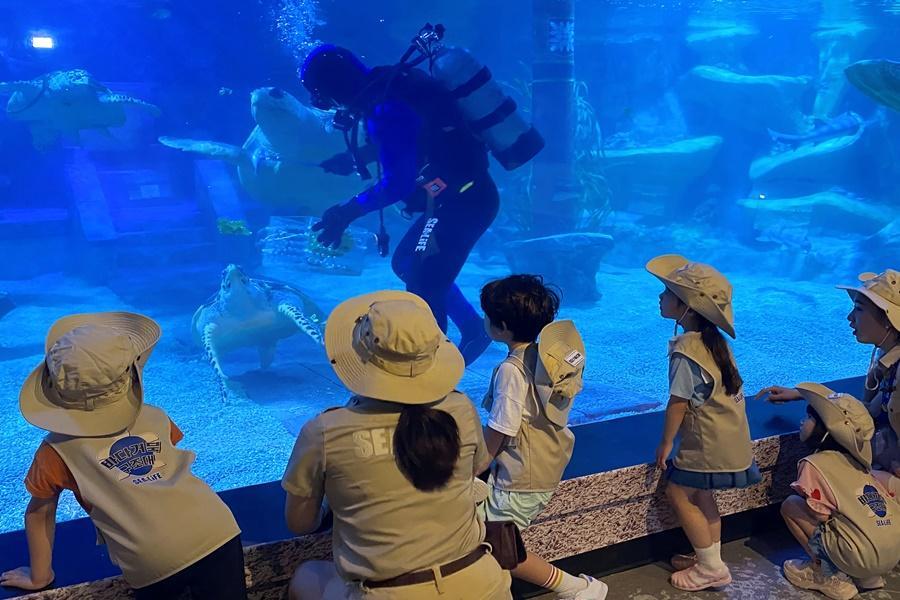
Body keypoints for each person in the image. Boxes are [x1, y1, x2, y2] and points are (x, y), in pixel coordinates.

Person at [282, 290, 511, 599]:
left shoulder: (325, 430)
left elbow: (299, 523)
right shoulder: (461, 409)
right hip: (482, 584)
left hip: (390, 593)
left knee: (305, 575)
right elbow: (475, 467)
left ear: (360, 352)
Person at [0, 312, 245, 599]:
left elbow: (40, 514)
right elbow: (163, 465)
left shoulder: (55, 451)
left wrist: (40, 576)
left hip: (152, 556)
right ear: (131, 372)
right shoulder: (156, 416)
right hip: (217, 528)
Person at [298, 44, 496, 365]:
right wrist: (354, 158)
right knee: (407, 263)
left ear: (335, 88)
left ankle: (429, 374)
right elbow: (410, 141)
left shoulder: (383, 110)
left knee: (423, 283)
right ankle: (473, 329)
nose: (329, 106)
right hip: (457, 199)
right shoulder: (391, 93)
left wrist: (346, 212)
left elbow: (397, 184)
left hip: (464, 203)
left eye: (324, 96)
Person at [478, 275, 606, 599]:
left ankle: (576, 588)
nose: (484, 320)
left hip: (521, 477)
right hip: (544, 463)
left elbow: (502, 426)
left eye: (487, 315)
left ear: (502, 327)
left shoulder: (511, 370)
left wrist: (476, 466)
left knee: (497, 544)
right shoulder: (546, 356)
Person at [646, 254, 761, 592]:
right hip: (730, 439)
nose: (661, 297)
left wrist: (666, 442)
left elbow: (678, 403)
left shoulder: (686, 350)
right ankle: (709, 557)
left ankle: (711, 569)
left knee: (678, 493)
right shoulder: (714, 342)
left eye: (668, 293)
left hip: (707, 444)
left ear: (688, 308)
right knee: (703, 494)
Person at [758, 270, 900, 474]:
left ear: (888, 319)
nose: (850, 317)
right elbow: (871, 408)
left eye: (859, 309)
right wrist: (802, 394)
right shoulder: (886, 357)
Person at [780, 382, 900, 600]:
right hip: (892, 552)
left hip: (862, 556)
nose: (802, 421)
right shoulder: (857, 461)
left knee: (791, 505)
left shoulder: (814, 464)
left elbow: (820, 516)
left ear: (826, 432)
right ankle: (866, 575)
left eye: (809, 418)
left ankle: (827, 574)